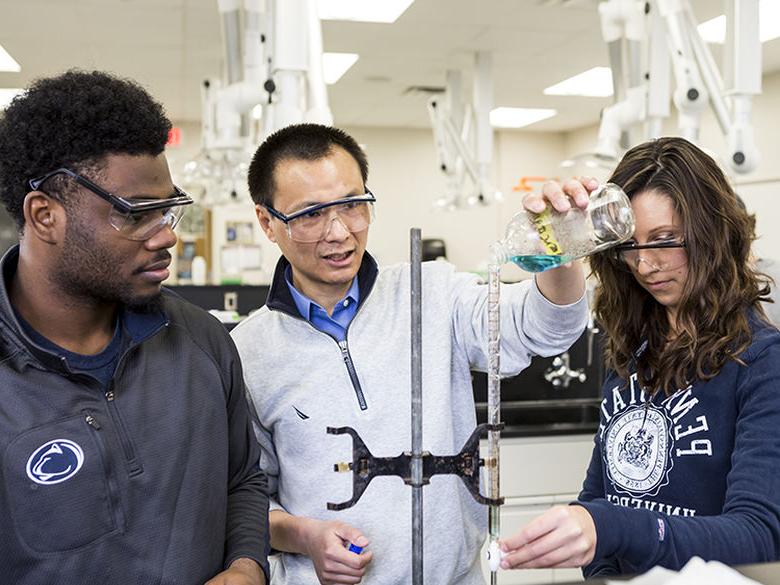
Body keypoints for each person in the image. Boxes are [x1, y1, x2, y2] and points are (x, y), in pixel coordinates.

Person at [230, 123, 590, 584]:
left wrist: (560, 252)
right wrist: (306, 537)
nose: (339, 232)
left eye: (353, 205)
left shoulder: (433, 292)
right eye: (311, 215)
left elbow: (543, 327)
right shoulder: (249, 351)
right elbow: (246, 498)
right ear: (267, 222)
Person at [0, 70, 270, 585]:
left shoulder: (203, 342)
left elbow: (241, 481)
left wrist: (246, 566)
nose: (165, 236)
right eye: (136, 214)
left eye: (167, 210)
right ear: (44, 215)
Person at [499, 137, 780, 577]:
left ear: (712, 234)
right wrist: (593, 550)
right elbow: (599, 496)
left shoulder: (763, 362)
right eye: (631, 245)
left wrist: (610, 528)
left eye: (665, 240)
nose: (646, 264)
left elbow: (758, 536)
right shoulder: (633, 351)